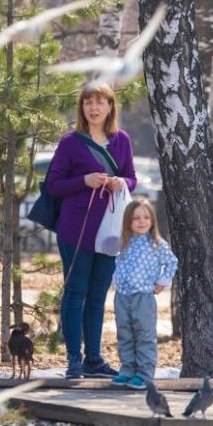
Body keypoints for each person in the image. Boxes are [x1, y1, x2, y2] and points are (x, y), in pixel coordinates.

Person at [46, 83, 137, 379]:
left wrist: (121, 183)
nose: (93, 108)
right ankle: (74, 358)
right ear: (82, 107)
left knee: (98, 295)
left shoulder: (122, 140)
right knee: (76, 292)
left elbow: (133, 179)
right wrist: (83, 181)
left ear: (110, 107)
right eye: (87, 102)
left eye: (99, 102)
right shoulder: (71, 143)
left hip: (110, 230)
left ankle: (94, 359)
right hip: (76, 230)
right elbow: (53, 185)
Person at [111, 199, 178, 390]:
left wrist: (162, 282)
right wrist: (116, 279)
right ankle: (127, 369)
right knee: (125, 333)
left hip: (144, 297)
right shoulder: (125, 242)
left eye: (146, 217)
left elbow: (172, 263)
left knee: (144, 335)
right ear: (128, 221)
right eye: (136, 218)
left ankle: (144, 373)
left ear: (152, 220)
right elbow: (117, 262)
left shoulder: (157, 244)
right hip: (123, 296)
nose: (141, 221)